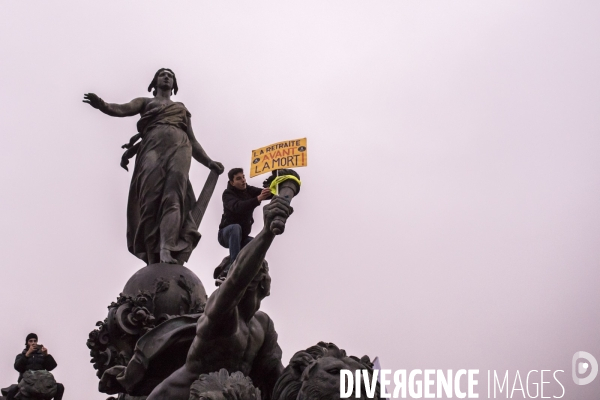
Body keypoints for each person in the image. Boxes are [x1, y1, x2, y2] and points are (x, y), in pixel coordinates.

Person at [146, 196, 294, 400]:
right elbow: (237, 280)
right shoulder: (222, 311)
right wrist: (267, 233)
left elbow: (278, 379)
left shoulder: (263, 325)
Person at [83, 68, 224, 265]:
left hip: (180, 148)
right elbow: (122, 109)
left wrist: (209, 161)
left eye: (170, 75)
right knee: (149, 202)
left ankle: (167, 248)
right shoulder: (146, 102)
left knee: (174, 198)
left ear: (174, 84)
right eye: (162, 74)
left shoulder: (181, 108)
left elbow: (192, 140)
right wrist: (103, 105)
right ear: (155, 81)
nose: (166, 76)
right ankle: (152, 255)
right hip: (151, 149)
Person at [218, 168, 271, 276]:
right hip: (226, 234)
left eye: (243, 177)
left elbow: (268, 194)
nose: (243, 180)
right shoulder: (227, 194)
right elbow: (238, 207)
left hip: (242, 238)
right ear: (232, 183)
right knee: (235, 228)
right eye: (238, 179)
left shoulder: (248, 189)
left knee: (257, 243)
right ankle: (233, 266)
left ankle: (243, 270)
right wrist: (258, 199)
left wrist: (274, 185)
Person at [5, 333, 65, 400]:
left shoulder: (42, 355)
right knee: (12, 390)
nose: (33, 343)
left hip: (41, 382)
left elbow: (51, 367)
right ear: (27, 343)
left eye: (35, 341)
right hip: (26, 382)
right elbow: (18, 367)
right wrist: (27, 354)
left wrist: (46, 355)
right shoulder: (21, 355)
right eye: (30, 341)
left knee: (60, 387)